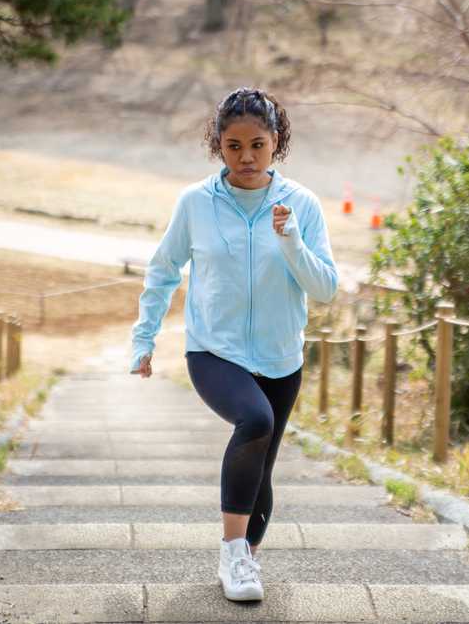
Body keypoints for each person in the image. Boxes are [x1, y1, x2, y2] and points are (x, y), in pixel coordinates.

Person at [129, 86, 338, 602]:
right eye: (233, 146)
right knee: (256, 421)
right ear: (218, 146)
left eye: (258, 145)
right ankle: (232, 552)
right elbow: (163, 270)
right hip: (213, 351)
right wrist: (145, 337)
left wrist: (291, 242)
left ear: (277, 143)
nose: (246, 157)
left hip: (281, 356)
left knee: (262, 464)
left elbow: (326, 288)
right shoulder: (196, 203)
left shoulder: (302, 205)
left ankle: (246, 562)